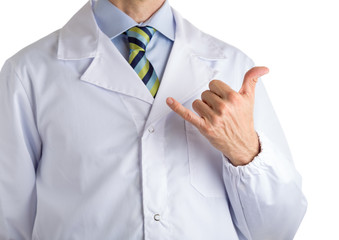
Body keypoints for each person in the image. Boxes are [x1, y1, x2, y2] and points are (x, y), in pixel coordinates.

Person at [0, 0, 307, 239]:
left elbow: (278, 229)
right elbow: (8, 222)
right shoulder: (28, 74)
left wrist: (245, 152)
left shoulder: (231, 67)